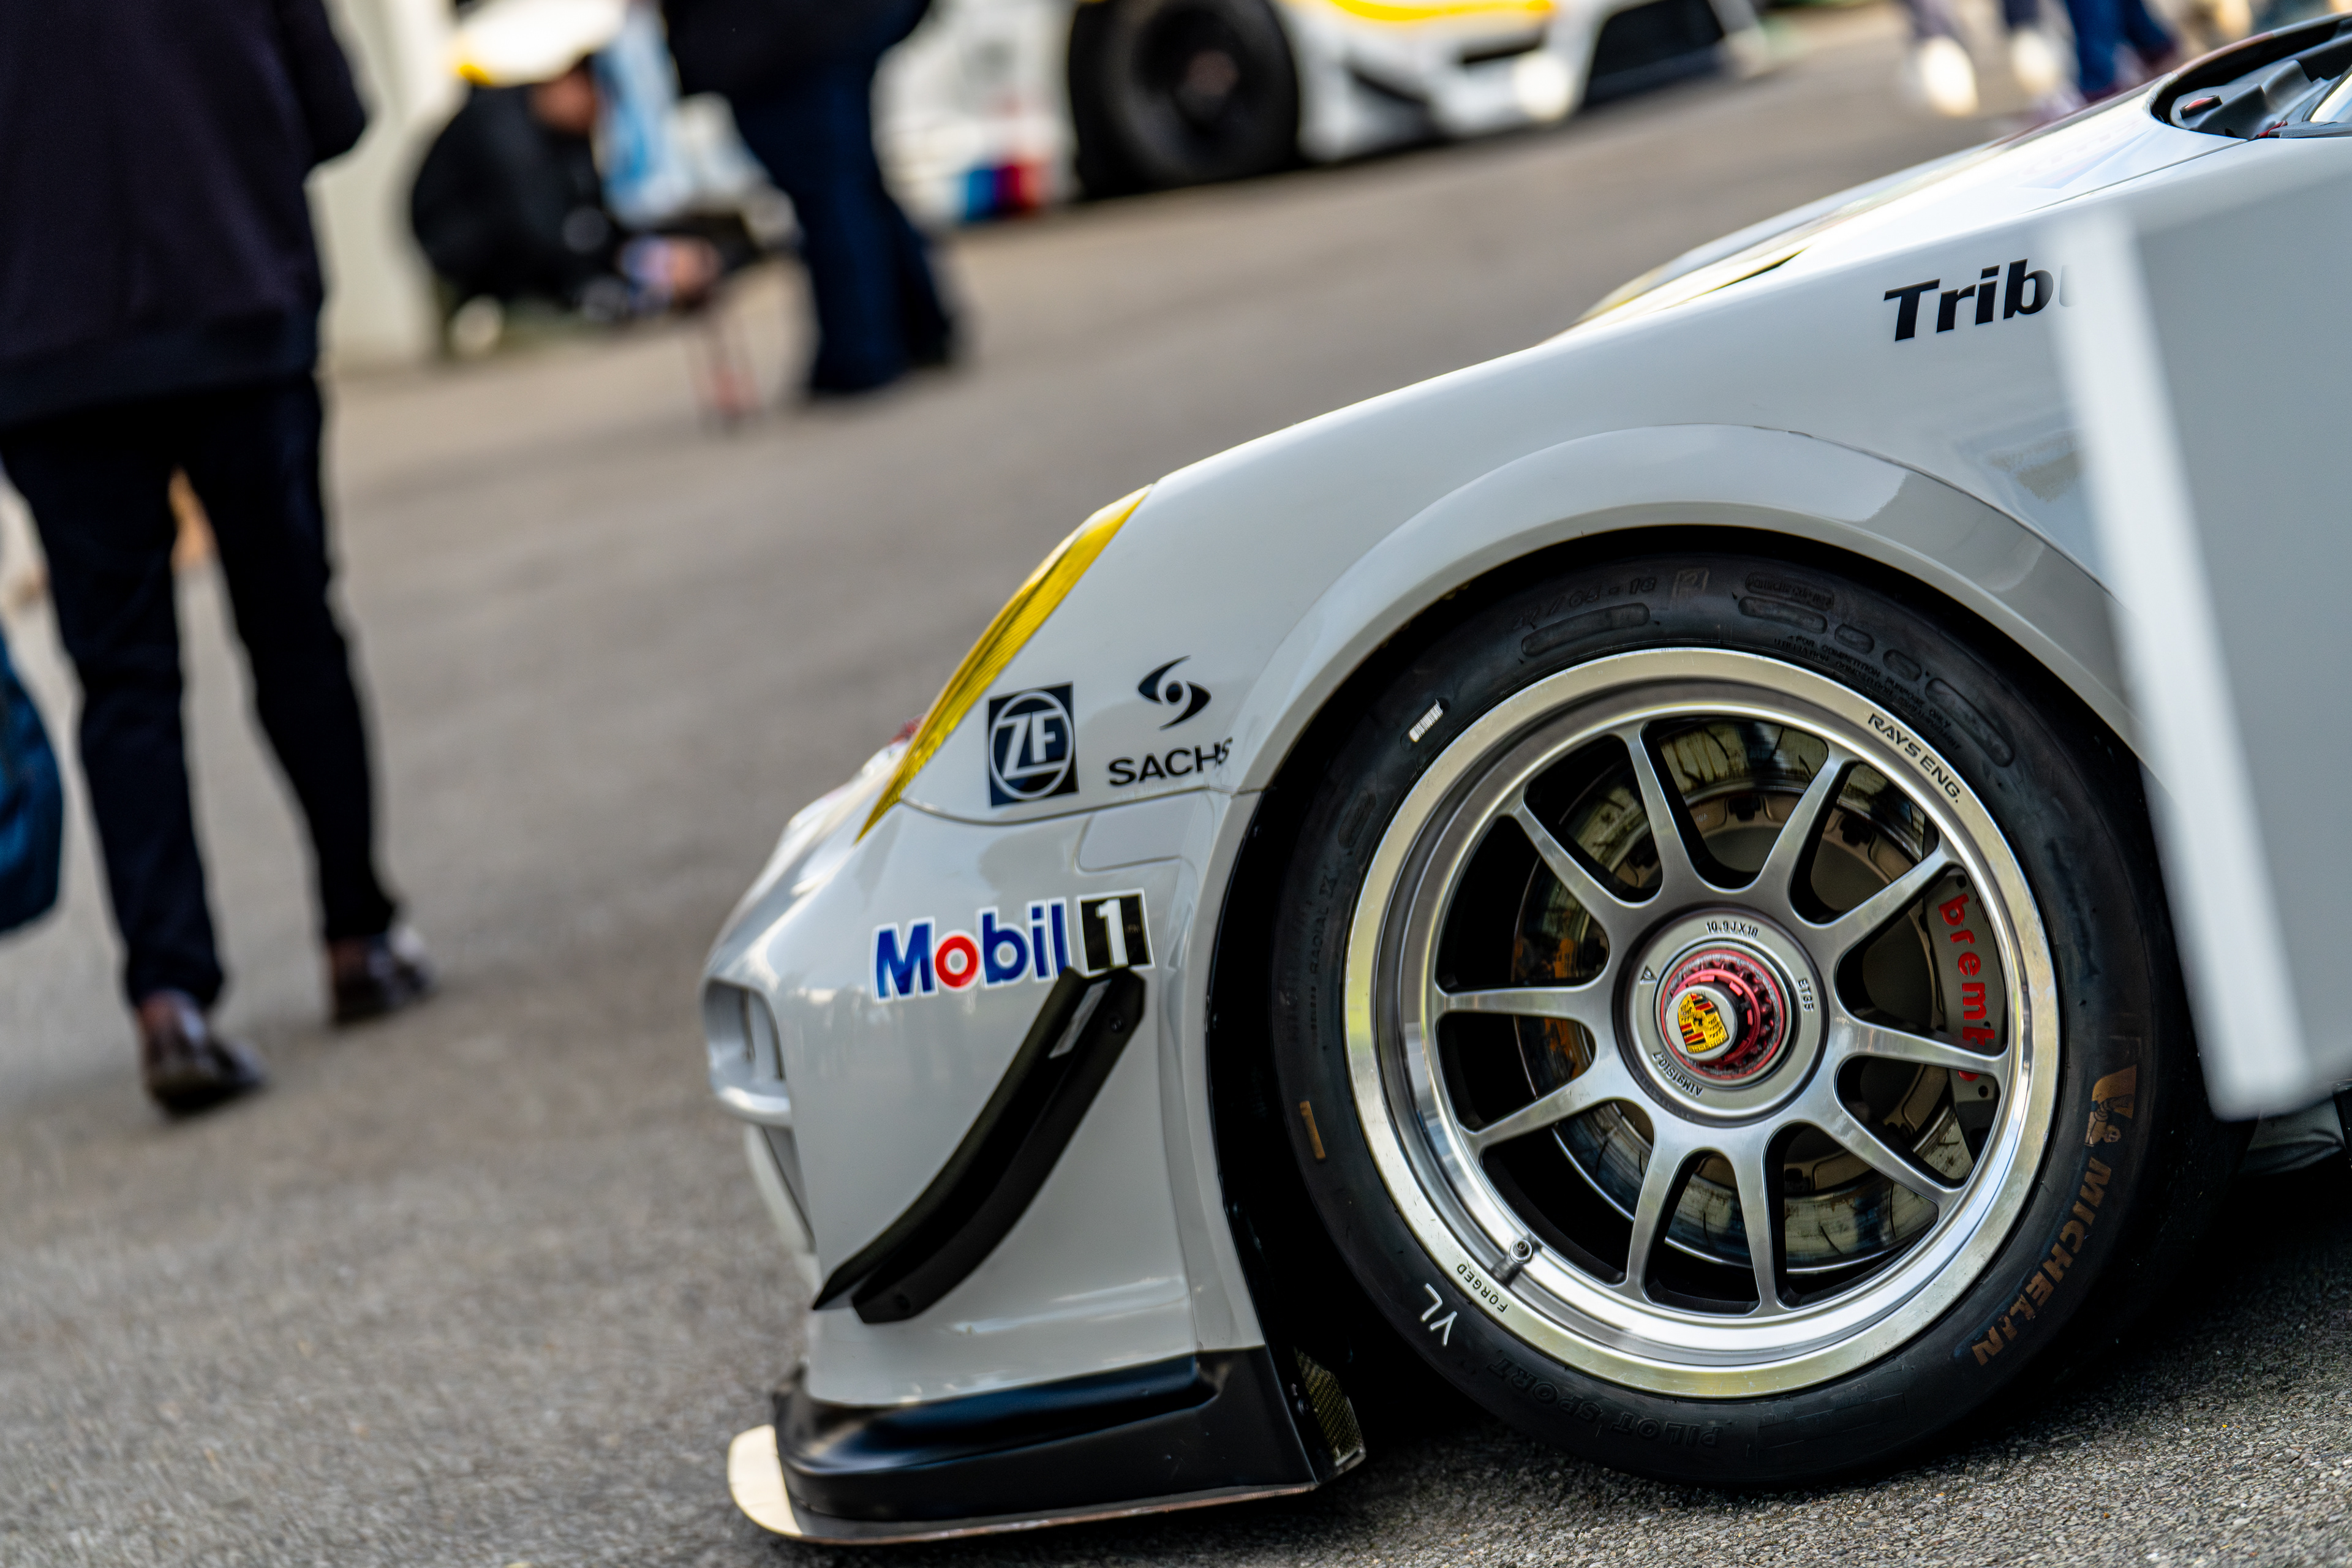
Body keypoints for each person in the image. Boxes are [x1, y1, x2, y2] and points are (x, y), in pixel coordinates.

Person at [0, 0, 432, 1118]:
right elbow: (335, 111)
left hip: (49, 350)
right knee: (296, 630)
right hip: (237, 298)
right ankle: (359, 934)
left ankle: (170, 1000)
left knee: (122, 680)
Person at [662, 0, 956, 398]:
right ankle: (916, 329)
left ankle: (863, 351)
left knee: (830, 191)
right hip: (818, 28)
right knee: (846, 179)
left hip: (784, 38)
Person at [410, 58, 722, 325]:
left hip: (514, 244)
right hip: (460, 248)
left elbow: (592, 210)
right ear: (569, 83)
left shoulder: (558, 133)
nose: (597, 115)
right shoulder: (503, 125)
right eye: (595, 100)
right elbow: (542, 227)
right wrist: (610, 271)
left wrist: (657, 249)